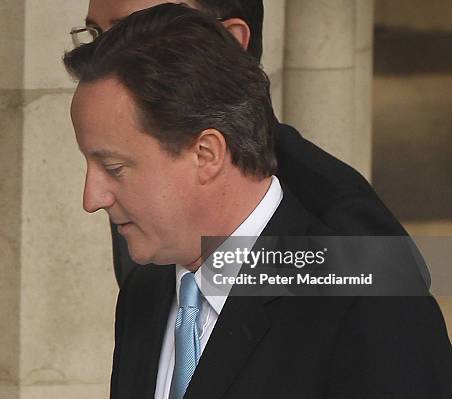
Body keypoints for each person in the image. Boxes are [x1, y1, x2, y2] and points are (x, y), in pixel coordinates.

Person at [64, 4, 451, 399]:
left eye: (113, 167)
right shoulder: (146, 290)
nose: (91, 199)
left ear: (207, 154)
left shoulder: (371, 307)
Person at [71, 0, 414, 287]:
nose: (105, 60)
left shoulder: (343, 227)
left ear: (230, 42)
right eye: (97, 37)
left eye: (136, 33)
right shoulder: (138, 185)